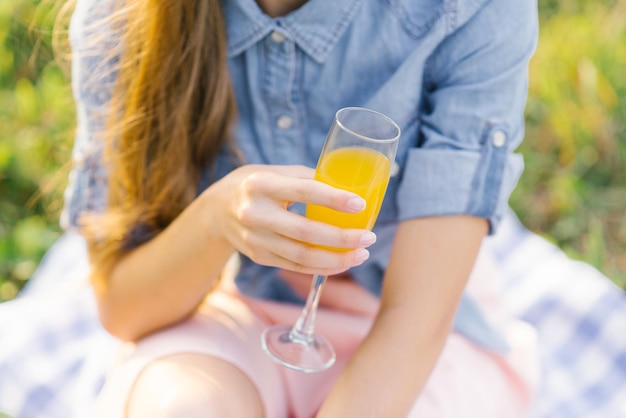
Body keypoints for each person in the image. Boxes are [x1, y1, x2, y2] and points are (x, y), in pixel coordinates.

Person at [62, 0, 540, 416]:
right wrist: (215, 220)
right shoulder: (127, 14)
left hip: (409, 328)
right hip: (239, 305)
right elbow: (124, 310)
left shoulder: (469, 8)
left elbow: (416, 319)